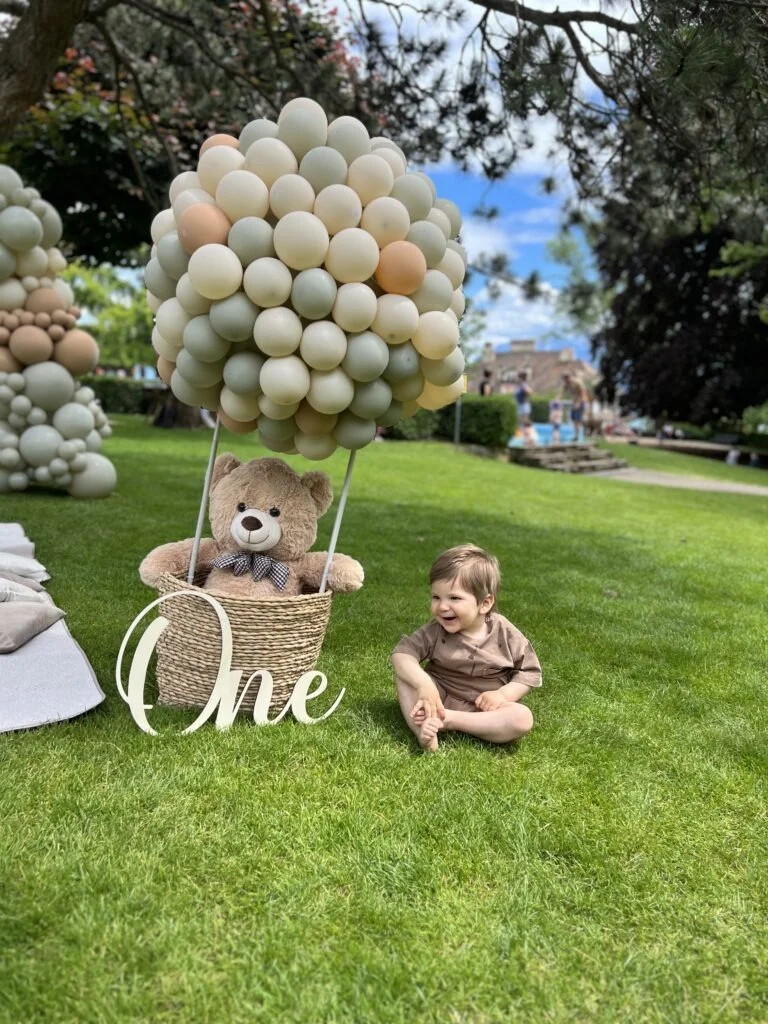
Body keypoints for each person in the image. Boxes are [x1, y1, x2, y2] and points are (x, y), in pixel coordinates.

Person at [392, 545, 541, 752]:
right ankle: (424, 733)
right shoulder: (435, 631)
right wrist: (424, 685)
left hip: (484, 710)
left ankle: (449, 721)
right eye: (436, 597)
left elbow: (529, 673)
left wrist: (503, 695)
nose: (442, 606)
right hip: (437, 699)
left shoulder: (505, 633)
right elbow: (402, 654)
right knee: (406, 675)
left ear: (485, 603)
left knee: (522, 718)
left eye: (454, 598)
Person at [563, 372, 589, 442]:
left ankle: (579, 435)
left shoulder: (577, 382)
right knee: (574, 420)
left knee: (578, 420)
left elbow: (583, 392)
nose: (567, 380)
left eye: (568, 378)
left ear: (570, 377)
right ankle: (576, 435)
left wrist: (579, 403)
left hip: (580, 403)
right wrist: (557, 398)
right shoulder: (567, 384)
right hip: (574, 403)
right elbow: (562, 391)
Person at [514, 370, 533, 443]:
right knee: (522, 423)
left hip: (523, 406)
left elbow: (530, 392)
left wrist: (526, 396)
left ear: (521, 377)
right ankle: (525, 439)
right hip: (521, 406)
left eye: (518, 377)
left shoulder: (523, 385)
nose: (516, 379)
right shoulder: (520, 385)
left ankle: (528, 439)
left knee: (524, 423)